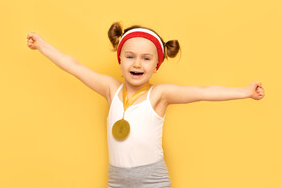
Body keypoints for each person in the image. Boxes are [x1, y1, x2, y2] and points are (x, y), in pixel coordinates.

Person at [26, 22, 265, 188]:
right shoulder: (111, 89)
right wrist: (42, 45)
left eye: (146, 58)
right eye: (130, 56)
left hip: (153, 181)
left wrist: (245, 92)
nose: (137, 63)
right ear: (119, 60)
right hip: (117, 180)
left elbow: (203, 92)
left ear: (156, 65)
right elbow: (74, 66)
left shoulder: (159, 95)